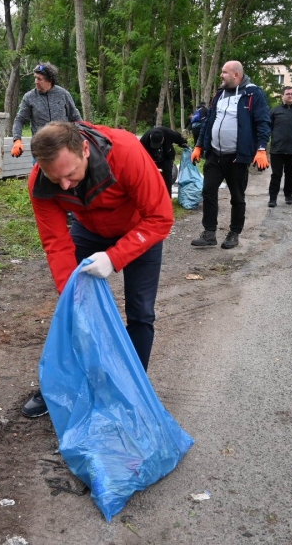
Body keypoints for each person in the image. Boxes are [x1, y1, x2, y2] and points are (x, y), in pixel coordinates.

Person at [21, 121, 174, 418]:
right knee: (72, 308)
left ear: (85, 150)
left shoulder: (126, 152)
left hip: (140, 229)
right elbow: (56, 243)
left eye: (70, 175)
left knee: (141, 312)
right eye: (55, 178)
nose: (64, 186)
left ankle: (132, 389)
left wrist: (114, 257)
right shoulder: (41, 182)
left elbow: (160, 218)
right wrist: (71, 294)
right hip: (89, 230)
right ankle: (64, 385)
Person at [190, 60, 271, 250]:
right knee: (208, 191)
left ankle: (234, 233)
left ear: (236, 74)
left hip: (237, 157)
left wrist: (261, 149)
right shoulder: (219, 94)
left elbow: (263, 123)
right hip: (215, 154)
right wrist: (199, 146)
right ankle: (209, 232)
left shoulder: (253, 94)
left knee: (237, 197)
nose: (221, 75)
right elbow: (209, 121)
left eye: (224, 72)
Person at [11, 62, 82, 158]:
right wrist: (17, 140)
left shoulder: (63, 94)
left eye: (39, 79)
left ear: (49, 80)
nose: (36, 81)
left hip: (63, 146)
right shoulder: (29, 97)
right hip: (40, 148)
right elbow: (20, 119)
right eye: (35, 78)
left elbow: (75, 117)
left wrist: (83, 136)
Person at [140, 126, 187, 197]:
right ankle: (150, 196)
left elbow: (178, 137)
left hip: (167, 156)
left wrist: (183, 143)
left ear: (163, 139)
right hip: (150, 157)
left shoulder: (169, 134)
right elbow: (139, 152)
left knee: (167, 175)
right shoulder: (145, 139)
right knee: (149, 176)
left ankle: (167, 197)